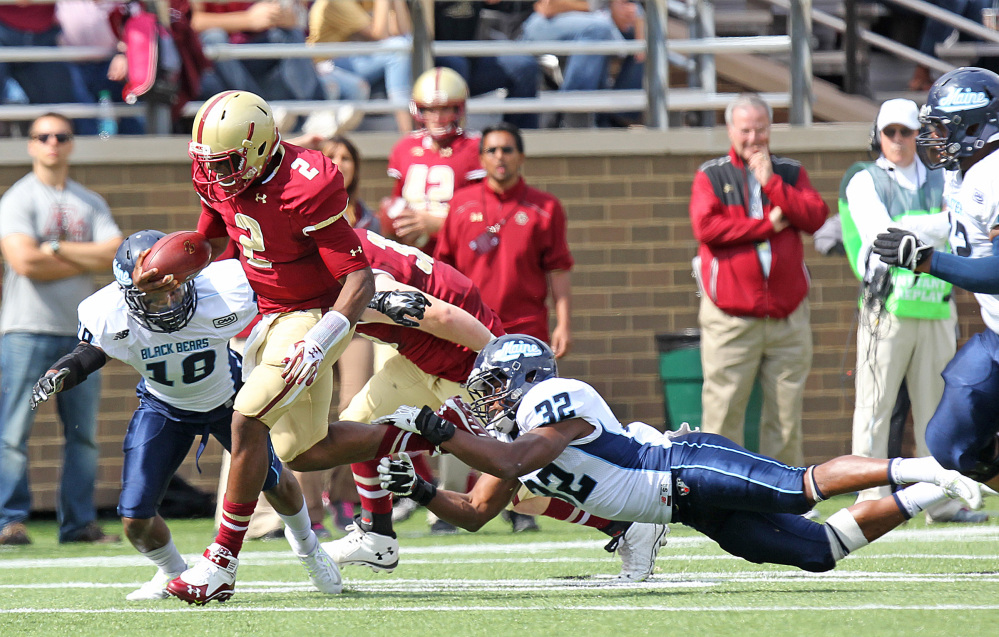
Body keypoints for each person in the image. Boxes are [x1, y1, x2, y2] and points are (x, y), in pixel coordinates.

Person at [374, 334, 992, 575]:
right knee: (815, 552)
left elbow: (512, 460)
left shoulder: (552, 397)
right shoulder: (512, 443)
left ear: (521, 377)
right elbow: (479, 511)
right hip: (683, 508)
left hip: (680, 464)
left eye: (490, 387)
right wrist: (423, 491)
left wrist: (439, 432)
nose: (485, 401)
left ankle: (931, 465)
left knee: (797, 487)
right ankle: (932, 489)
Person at [138, 90, 376, 604]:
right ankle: (421, 435)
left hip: (311, 315)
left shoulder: (306, 184)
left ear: (261, 146)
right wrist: (173, 273)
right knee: (302, 451)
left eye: (226, 163)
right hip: (264, 314)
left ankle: (221, 562)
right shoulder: (215, 174)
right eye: (210, 164)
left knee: (246, 419)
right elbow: (212, 241)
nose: (216, 174)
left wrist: (318, 342)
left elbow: (359, 281)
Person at [28, 230, 341, 601]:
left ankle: (310, 550)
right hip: (164, 408)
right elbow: (90, 353)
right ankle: (175, 573)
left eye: (173, 288)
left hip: (230, 400)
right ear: (127, 294)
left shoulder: (225, 287)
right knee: (134, 518)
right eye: (153, 295)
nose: (167, 301)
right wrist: (58, 373)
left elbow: (283, 298)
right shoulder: (106, 311)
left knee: (274, 481)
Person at [839, 99, 983, 524]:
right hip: (887, 305)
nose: (898, 140)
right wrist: (934, 225)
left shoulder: (945, 176)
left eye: (906, 132)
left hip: (936, 304)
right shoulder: (862, 177)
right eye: (890, 133)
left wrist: (913, 226)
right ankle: (869, 497)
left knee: (937, 409)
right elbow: (883, 234)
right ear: (878, 136)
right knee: (874, 407)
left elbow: (957, 230)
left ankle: (939, 499)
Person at [873, 67, 999, 494]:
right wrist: (907, 232)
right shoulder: (964, 170)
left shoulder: (996, 172)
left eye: (943, 127)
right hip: (997, 334)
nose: (933, 137)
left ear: (978, 126)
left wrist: (925, 260)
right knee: (950, 443)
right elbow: (961, 224)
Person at [0, 113, 123, 546]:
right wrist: (79, 256)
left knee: (83, 436)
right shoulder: (17, 199)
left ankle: (78, 524)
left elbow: (115, 256)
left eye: (61, 136)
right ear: (31, 145)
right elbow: (23, 262)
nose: (52, 142)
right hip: (25, 330)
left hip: (81, 335)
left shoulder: (89, 201)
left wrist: (51, 247)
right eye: (43, 136)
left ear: (71, 144)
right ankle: (8, 522)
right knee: (13, 433)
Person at [689, 93, 829, 467]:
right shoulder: (711, 174)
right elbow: (706, 227)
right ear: (730, 130)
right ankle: (720, 495)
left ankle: (781, 500)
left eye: (761, 130)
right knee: (723, 412)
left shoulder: (790, 172)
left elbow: (815, 217)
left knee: (785, 416)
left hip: (788, 316)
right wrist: (766, 225)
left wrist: (772, 184)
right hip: (731, 318)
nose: (754, 138)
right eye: (746, 130)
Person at [436, 122, 574, 357]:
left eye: (507, 150)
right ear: (481, 159)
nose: (500, 157)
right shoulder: (460, 204)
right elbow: (442, 268)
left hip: (526, 329)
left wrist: (564, 325)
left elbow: (558, 270)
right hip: (470, 324)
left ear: (521, 157)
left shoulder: (545, 207)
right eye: (492, 150)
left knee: (526, 394)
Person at [381, 67, 485, 252]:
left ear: (458, 108)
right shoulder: (405, 147)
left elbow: (486, 213)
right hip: (414, 252)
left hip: (458, 251)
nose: (437, 118)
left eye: (445, 109)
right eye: (430, 109)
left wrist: (438, 224)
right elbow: (397, 198)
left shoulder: (474, 147)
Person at [307, 0, 412, 134]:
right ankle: (406, 131)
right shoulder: (335, 2)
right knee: (398, 49)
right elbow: (379, 34)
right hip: (327, 66)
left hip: (350, 61)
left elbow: (402, 32)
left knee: (404, 44)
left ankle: (405, 123)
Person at [432, 0, 541, 130]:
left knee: (524, 65)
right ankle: (454, 139)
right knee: (457, 63)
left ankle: (516, 138)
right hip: (435, 66)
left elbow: (503, 5)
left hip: (473, 62)